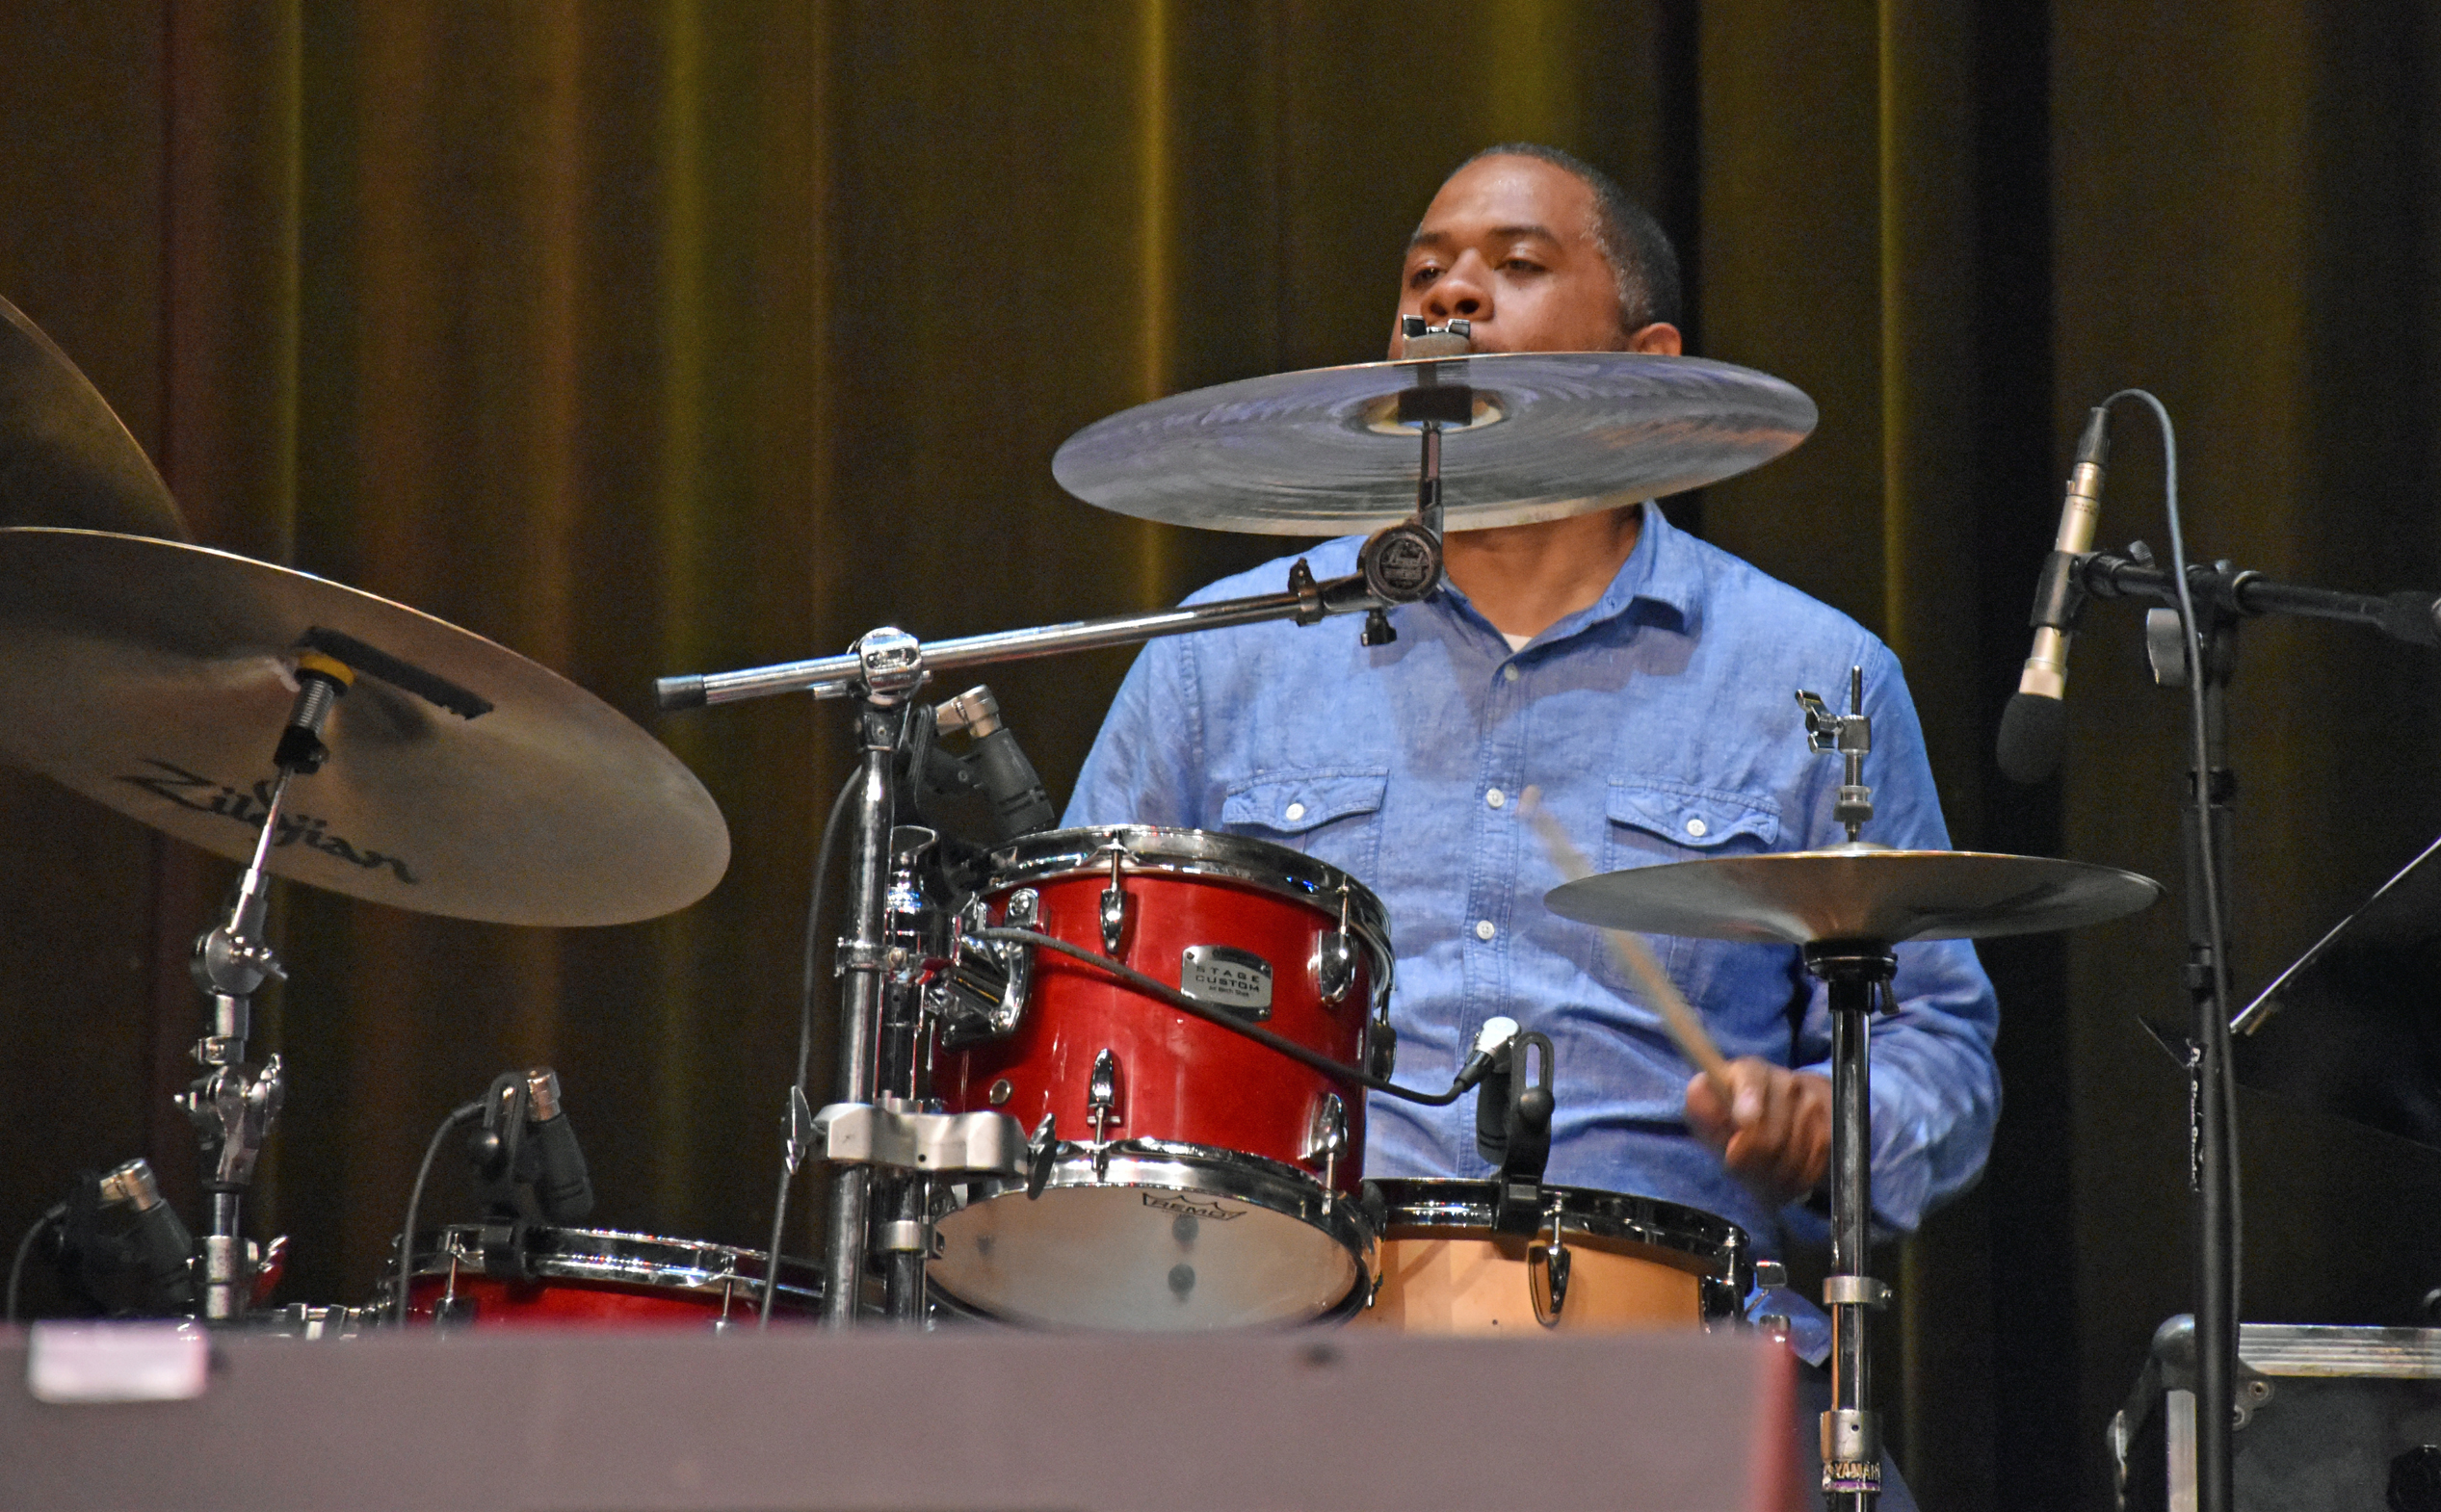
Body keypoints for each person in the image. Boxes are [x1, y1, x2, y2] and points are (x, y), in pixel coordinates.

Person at [1064, 142, 1997, 1323]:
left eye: (1514, 264)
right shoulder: (1222, 656)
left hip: (1673, 1347)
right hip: (1302, 1333)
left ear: (1645, 367)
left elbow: (1936, 1046)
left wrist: (1831, 1121)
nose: (1450, 294)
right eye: (1424, 275)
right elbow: (1084, 992)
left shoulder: (1815, 678)